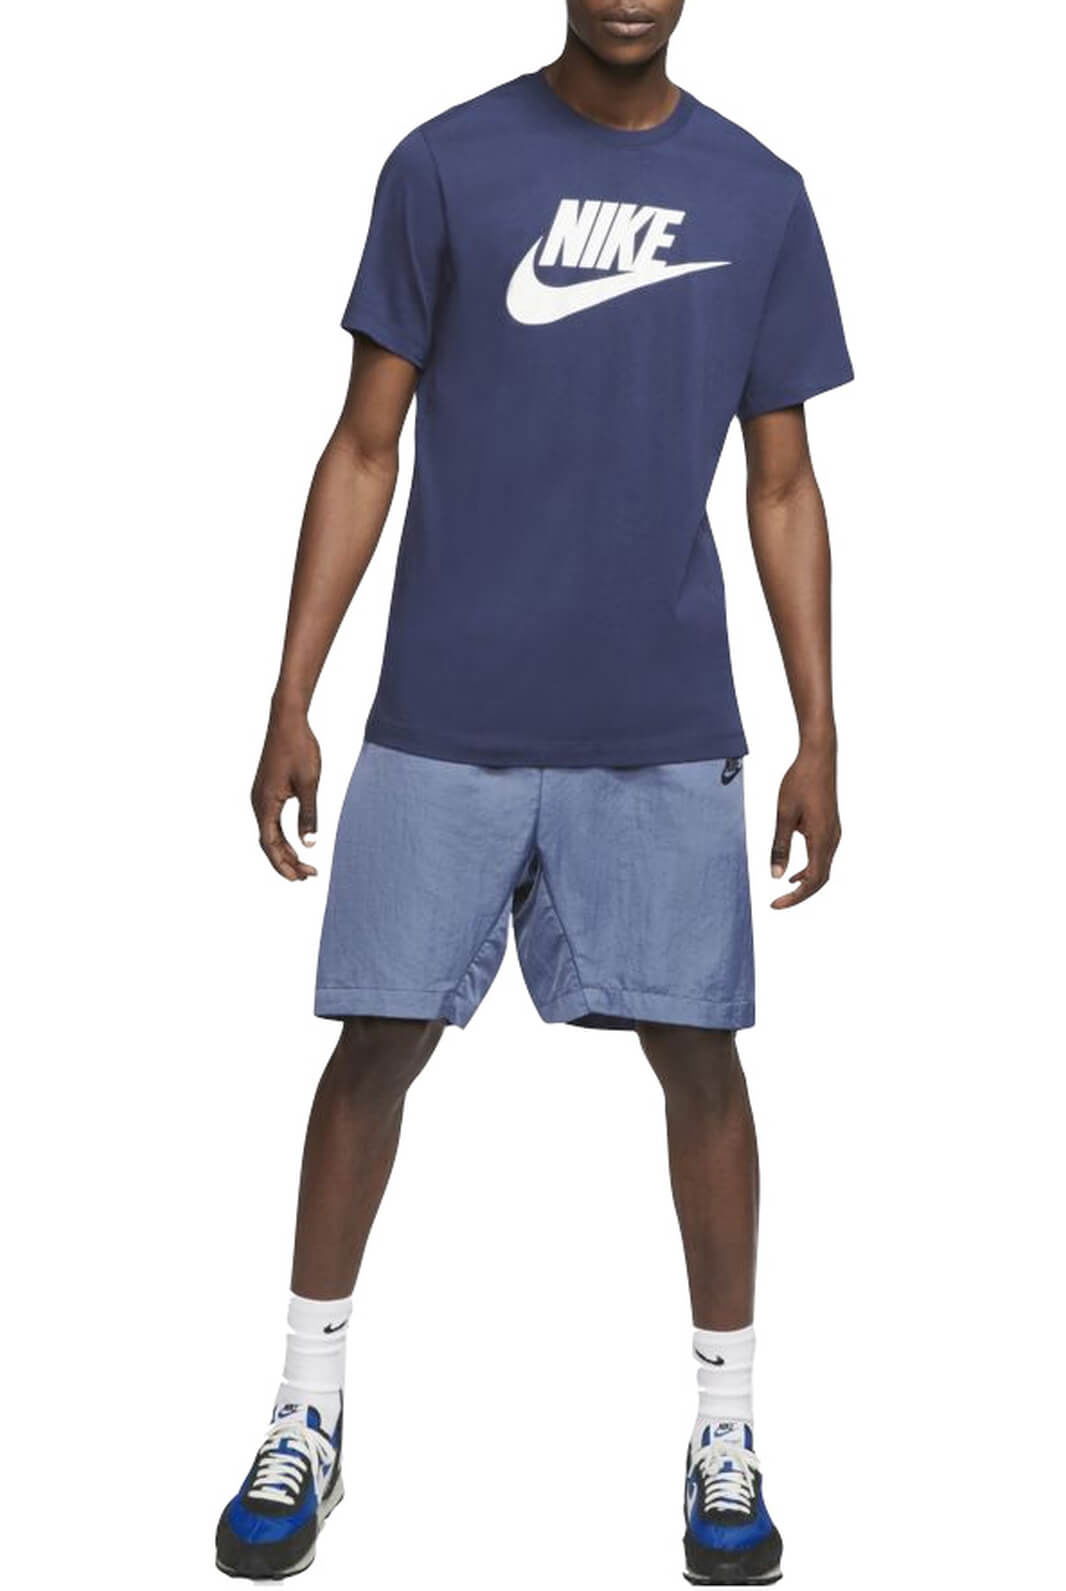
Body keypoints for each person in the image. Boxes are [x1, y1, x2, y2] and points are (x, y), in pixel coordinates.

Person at [214, 1, 852, 1583]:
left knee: (701, 1066)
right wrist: (290, 695)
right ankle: (306, 1411)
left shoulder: (758, 193)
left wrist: (819, 729)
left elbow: (781, 482)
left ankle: (725, 1432)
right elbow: (363, 446)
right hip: (444, 714)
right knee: (374, 1050)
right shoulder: (445, 166)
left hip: (658, 722)